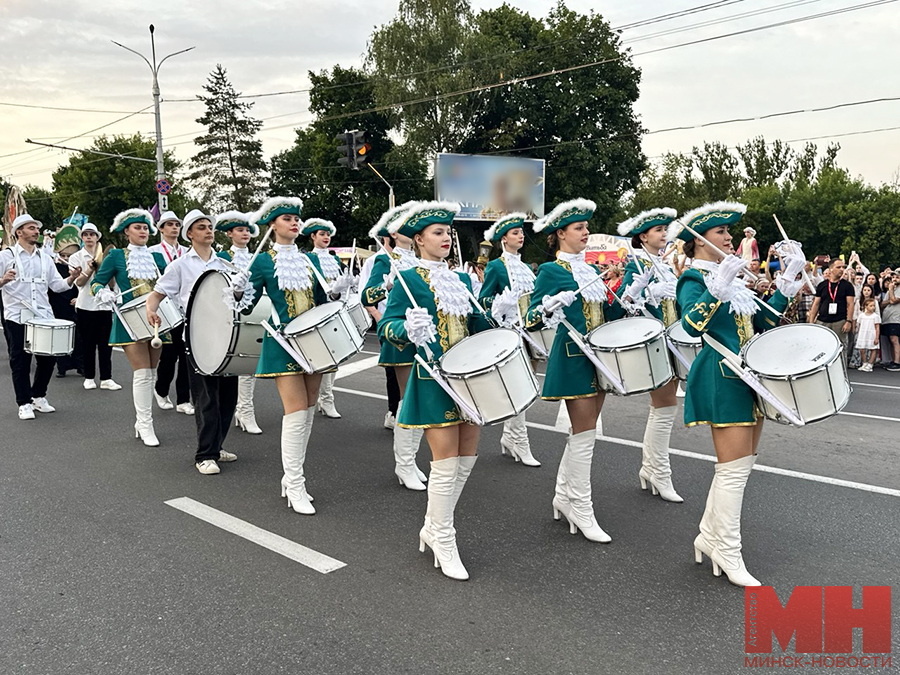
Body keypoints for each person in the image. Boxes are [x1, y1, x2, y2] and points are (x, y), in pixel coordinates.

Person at [670, 201, 804, 587]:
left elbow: (763, 319)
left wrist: (787, 281)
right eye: (721, 233)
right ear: (698, 243)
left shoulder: (731, 276)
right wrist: (718, 287)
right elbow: (693, 326)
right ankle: (727, 549)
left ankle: (710, 538)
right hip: (721, 375)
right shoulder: (694, 279)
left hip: (749, 376)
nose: (730, 238)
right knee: (731, 471)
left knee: (740, 468)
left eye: (730, 232)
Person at [379, 200, 491, 581]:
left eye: (448, 232)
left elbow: (478, 323)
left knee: (467, 459)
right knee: (444, 464)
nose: (446, 238)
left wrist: (499, 314)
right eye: (438, 233)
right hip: (433, 379)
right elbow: (387, 327)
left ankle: (432, 524)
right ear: (420, 240)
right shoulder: (408, 280)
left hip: (470, 378)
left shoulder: (461, 280)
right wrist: (406, 330)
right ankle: (444, 537)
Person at [241, 197, 351, 515]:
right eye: (287, 218)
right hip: (283, 341)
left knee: (308, 411)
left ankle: (292, 479)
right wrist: (238, 292)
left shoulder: (309, 261)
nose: (294, 223)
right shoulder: (261, 261)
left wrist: (335, 292)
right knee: (296, 412)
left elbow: (321, 302)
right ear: (273, 225)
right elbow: (245, 306)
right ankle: (295, 482)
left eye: (296, 218)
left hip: (312, 342)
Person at [524, 198, 621, 543]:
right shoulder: (551, 271)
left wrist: (626, 296)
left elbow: (602, 315)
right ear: (561, 234)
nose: (586, 233)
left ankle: (564, 497)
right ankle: (581, 508)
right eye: (579, 228)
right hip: (572, 357)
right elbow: (531, 319)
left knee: (585, 434)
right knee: (584, 435)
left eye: (586, 227)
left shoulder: (591, 271)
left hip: (598, 359)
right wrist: (548, 306)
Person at [147, 210, 241, 475]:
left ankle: (217, 445)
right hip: (198, 336)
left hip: (225, 334)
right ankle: (205, 454)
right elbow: (156, 294)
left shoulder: (224, 263)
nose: (208, 231)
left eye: (209, 227)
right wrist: (151, 310)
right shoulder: (180, 265)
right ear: (190, 234)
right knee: (206, 396)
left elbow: (236, 298)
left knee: (227, 397)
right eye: (201, 228)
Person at [616, 207, 683, 502]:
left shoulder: (665, 265)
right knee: (665, 406)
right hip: (652, 341)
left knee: (664, 408)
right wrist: (641, 292)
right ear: (643, 236)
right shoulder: (636, 264)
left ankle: (651, 468)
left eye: (665, 230)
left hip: (671, 339)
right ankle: (659, 472)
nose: (664, 234)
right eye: (659, 230)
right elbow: (625, 302)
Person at [362, 203, 430, 490]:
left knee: (422, 397)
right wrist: (386, 287)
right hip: (400, 334)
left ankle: (411, 460)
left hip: (424, 335)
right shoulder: (384, 260)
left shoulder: (421, 259)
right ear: (393, 233)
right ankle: (404, 463)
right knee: (408, 398)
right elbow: (368, 294)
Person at [91, 209, 168, 446]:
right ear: (127, 232)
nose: (143, 231)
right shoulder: (115, 256)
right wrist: (103, 293)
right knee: (143, 373)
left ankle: (141, 422)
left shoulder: (157, 258)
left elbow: (168, 285)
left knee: (152, 373)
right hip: (130, 320)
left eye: (145, 228)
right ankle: (145, 424)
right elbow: (97, 282)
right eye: (137, 227)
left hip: (157, 318)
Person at [0, 214, 81, 419]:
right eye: (31, 228)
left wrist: (71, 278)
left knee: (48, 357)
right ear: (19, 232)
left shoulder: (45, 258)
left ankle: (38, 396)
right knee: (20, 360)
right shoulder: (5, 256)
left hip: (43, 314)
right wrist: (3, 280)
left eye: (36, 228)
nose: (36, 231)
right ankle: (24, 402)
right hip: (17, 314)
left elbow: (57, 286)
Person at [477, 212, 541, 467]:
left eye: (522, 232)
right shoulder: (496, 266)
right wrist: (502, 302)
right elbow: (483, 301)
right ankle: (519, 442)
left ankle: (510, 437)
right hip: (510, 330)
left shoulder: (526, 268)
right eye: (515, 233)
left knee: (527, 385)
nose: (521, 236)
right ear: (504, 238)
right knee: (519, 386)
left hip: (530, 332)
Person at [216, 210, 263, 435]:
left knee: (249, 364)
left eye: (247, 230)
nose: (245, 233)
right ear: (229, 234)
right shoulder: (222, 257)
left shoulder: (258, 256)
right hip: (229, 315)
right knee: (227, 366)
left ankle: (245, 410)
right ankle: (228, 409)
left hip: (253, 314)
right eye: (240, 230)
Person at [303, 217, 348, 419]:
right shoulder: (307, 259)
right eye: (322, 234)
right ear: (313, 237)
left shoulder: (335, 259)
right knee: (317, 357)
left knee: (334, 356)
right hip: (316, 311)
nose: (326, 237)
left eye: (328, 234)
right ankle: (315, 398)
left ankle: (327, 398)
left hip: (334, 310)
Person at [149, 211, 193, 415]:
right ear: (161, 229)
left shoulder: (188, 252)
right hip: (166, 310)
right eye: (170, 224)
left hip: (186, 309)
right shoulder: (152, 252)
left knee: (187, 356)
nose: (174, 228)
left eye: (177, 224)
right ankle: (161, 389)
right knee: (169, 355)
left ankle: (184, 399)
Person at [358, 225, 402, 430]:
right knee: (393, 370)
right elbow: (365, 294)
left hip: (410, 321)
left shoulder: (411, 259)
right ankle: (393, 412)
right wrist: (379, 317)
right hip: (388, 320)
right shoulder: (376, 260)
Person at [71, 223, 121, 391]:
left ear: (97, 237)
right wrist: (90, 268)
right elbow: (79, 283)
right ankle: (89, 377)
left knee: (106, 344)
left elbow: (113, 283)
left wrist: (106, 270)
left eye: (92, 234)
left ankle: (107, 378)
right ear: (82, 238)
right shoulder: (76, 257)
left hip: (104, 305)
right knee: (88, 344)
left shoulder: (107, 256)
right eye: (85, 234)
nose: (89, 237)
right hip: (85, 305)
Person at [49, 225, 83, 378]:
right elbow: (53, 286)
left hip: (75, 304)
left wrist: (79, 299)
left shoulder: (79, 267)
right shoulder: (53, 267)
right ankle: (62, 366)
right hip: (58, 305)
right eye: (65, 255)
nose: (67, 258)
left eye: (70, 255)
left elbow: (83, 286)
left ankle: (81, 365)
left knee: (79, 337)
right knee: (60, 336)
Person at [807, 258, 855, 355]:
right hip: (822, 320)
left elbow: (850, 304)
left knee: (840, 347)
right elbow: (816, 304)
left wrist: (849, 321)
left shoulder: (847, 286)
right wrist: (812, 321)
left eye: (843, 267)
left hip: (840, 321)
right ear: (831, 269)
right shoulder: (822, 285)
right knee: (820, 346)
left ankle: (841, 369)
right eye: (838, 267)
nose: (842, 269)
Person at [854, 297, 881, 373]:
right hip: (863, 334)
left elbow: (877, 327)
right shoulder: (861, 316)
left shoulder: (875, 316)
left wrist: (876, 337)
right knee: (862, 349)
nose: (873, 307)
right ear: (866, 306)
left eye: (873, 306)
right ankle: (864, 363)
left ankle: (870, 364)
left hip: (871, 334)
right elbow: (858, 325)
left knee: (873, 349)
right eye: (871, 306)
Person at [881, 276, 900, 371]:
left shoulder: (894, 289)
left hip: (896, 318)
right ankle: (893, 360)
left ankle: (897, 362)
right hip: (887, 319)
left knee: (894, 339)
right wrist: (891, 292)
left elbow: (893, 300)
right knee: (891, 340)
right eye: (893, 277)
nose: (895, 279)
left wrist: (891, 290)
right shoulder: (890, 290)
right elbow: (883, 303)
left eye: (897, 277)